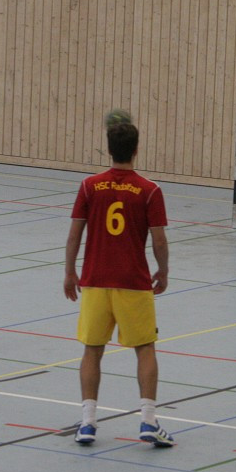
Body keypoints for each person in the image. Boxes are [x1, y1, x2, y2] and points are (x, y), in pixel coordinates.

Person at [63, 120, 174, 448]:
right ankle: (149, 421)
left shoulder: (88, 186)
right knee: (145, 349)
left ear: (108, 149)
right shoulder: (150, 190)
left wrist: (70, 272)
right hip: (133, 282)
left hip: (95, 280)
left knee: (92, 351)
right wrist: (163, 270)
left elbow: (74, 234)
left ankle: (87, 423)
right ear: (136, 150)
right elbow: (159, 240)